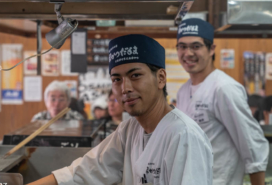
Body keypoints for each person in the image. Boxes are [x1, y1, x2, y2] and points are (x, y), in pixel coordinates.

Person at [24, 34, 213, 185]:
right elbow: (84, 171)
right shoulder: (129, 130)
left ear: (161, 78)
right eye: (117, 79)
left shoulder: (184, 136)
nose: (125, 88)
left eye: (136, 75)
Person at [176, 18, 269, 185]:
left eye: (196, 46)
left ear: (211, 49)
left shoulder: (224, 88)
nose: (188, 53)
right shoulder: (183, 91)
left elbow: (251, 143)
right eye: (182, 46)